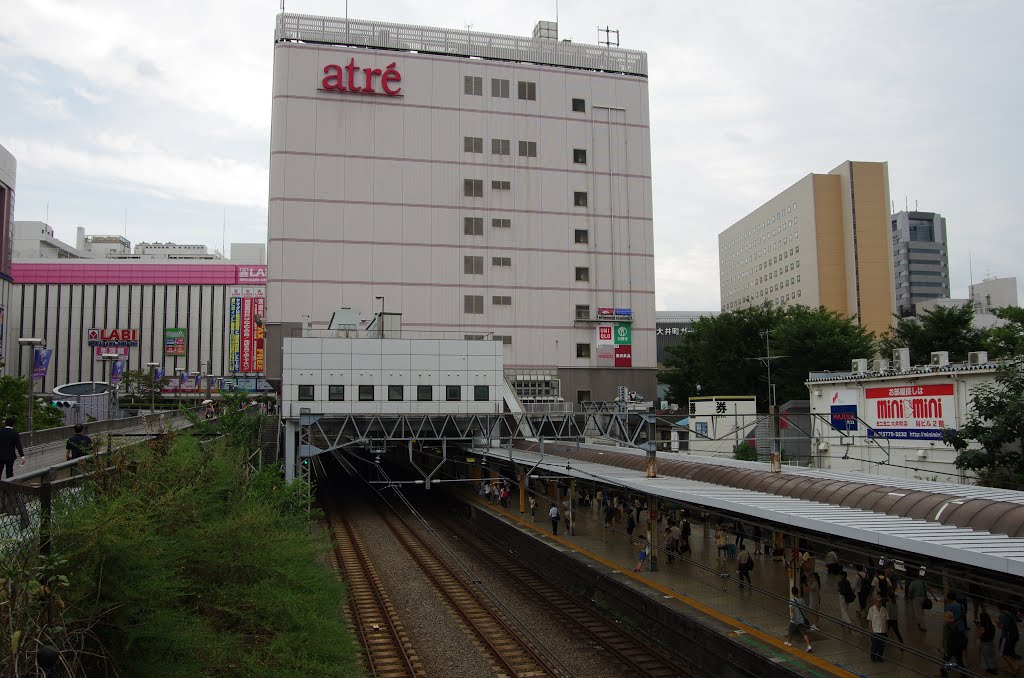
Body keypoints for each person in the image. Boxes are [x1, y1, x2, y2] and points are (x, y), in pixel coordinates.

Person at [785, 586, 813, 652]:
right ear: (798, 592)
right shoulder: (802, 600)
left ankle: (789, 642)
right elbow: (805, 609)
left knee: (790, 631)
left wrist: (793, 619)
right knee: (804, 633)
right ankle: (809, 645)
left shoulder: (791, 601)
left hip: (794, 620)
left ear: (792, 593)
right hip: (801, 620)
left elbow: (792, 611)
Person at [941, 611, 967, 677]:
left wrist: (944, 648)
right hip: (958, 647)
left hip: (950, 647)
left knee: (946, 660)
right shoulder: (957, 624)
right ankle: (963, 674)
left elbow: (945, 639)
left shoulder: (946, 627)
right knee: (960, 661)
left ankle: (945, 673)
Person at [997, 603, 1020, 674]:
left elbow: (1002, 626)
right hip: (1014, 636)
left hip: (1006, 637)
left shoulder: (1002, 615)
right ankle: (1012, 669)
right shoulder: (1011, 614)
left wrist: (997, 624)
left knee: (1002, 654)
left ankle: (1015, 666)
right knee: (1008, 653)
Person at [867, 596, 890, 662]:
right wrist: (871, 631)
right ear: (875, 602)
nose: (879, 603)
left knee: (881, 646)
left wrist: (887, 631)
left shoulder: (884, 609)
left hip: (882, 631)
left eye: (880, 602)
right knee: (874, 646)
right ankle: (873, 658)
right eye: (878, 601)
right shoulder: (871, 609)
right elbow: (870, 621)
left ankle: (879, 657)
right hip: (875, 631)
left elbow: (886, 621)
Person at [979, 610, 998, 675]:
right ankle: (993, 669)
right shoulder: (992, 626)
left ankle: (986, 672)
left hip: (984, 644)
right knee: (991, 656)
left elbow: (980, 635)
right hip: (991, 643)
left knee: (984, 658)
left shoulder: (982, 627)